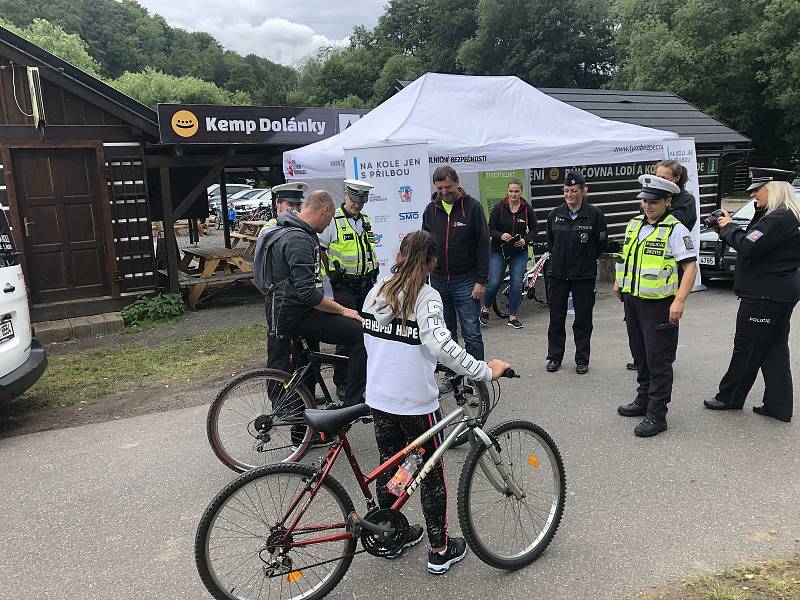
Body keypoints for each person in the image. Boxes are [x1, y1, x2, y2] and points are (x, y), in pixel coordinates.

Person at [362, 230, 511, 573]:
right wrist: (485, 371)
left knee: (392, 464)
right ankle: (440, 550)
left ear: (399, 256)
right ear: (432, 262)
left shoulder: (378, 290)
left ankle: (389, 533)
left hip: (380, 397)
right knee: (430, 475)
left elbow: (369, 339)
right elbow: (444, 348)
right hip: (415, 403)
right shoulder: (427, 297)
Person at [703, 168, 800, 423]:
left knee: (747, 347)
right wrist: (727, 229)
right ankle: (778, 405)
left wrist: (728, 225)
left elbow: (748, 247)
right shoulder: (783, 216)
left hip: (764, 296)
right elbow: (754, 242)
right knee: (774, 349)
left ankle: (730, 398)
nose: (754, 194)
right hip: (778, 292)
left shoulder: (779, 217)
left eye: (758, 189)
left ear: (775, 189)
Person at [253, 190, 366, 407]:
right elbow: (308, 293)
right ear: (324, 211)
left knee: (305, 369)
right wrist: (344, 310)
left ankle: (306, 432)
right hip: (295, 315)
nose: (329, 225)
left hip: (289, 311)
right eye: (331, 218)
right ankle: (353, 404)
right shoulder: (298, 238)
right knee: (361, 334)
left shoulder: (290, 228)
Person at [615, 174, 698, 437]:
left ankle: (657, 414)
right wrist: (619, 283)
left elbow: (690, 266)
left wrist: (680, 300)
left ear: (667, 201)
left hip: (660, 305)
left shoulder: (676, 229)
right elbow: (624, 256)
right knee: (640, 355)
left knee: (658, 359)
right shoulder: (635, 224)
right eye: (644, 201)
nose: (647, 206)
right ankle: (643, 400)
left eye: (653, 201)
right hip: (633, 300)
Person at [626, 160, 699, 371]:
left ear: (675, 180)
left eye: (664, 178)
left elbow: (674, 231)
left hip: (667, 272)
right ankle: (643, 360)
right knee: (640, 333)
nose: (648, 205)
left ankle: (663, 357)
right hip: (640, 283)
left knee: (662, 329)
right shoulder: (644, 213)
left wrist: (680, 300)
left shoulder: (684, 203)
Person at [318, 179, 379, 403]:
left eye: (362, 200)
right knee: (346, 336)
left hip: (366, 284)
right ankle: (342, 381)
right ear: (346, 196)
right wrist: (330, 271)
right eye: (354, 199)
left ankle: (362, 379)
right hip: (344, 286)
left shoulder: (366, 221)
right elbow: (321, 249)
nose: (357, 204)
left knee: (368, 333)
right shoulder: (333, 220)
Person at [422, 165, 490, 363]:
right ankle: (452, 377)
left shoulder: (473, 207)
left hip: (466, 281)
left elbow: (484, 245)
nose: (443, 192)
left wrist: (481, 281)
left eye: (447, 187)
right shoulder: (430, 210)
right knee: (445, 334)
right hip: (439, 281)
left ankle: (477, 379)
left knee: (471, 333)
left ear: (457, 183)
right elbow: (424, 247)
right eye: (439, 188)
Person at [545, 171, 607, 374]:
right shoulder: (554, 214)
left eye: (573, 191)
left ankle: (582, 359)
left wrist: (586, 259)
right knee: (556, 319)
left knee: (583, 320)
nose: (569, 194)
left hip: (584, 276)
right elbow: (551, 244)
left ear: (583, 191)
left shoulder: (595, 214)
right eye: (566, 191)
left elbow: (600, 244)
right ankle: (554, 357)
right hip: (558, 274)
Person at [263, 183, 313, 390]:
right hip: (282, 301)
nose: (294, 209)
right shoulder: (272, 229)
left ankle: (306, 395)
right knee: (282, 353)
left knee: (306, 352)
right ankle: (280, 402)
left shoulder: (301, 227)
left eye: (297, 204)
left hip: (304, 300)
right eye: (289, 204)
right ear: (278, 204)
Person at [481, 179, 538, 329]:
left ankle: (512, 316)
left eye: (516, 191)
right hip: (498, 250)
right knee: (493, 282)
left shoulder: (527, 209)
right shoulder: (499, 208)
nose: (513, 194)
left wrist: (525, 240)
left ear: (521, 192)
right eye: (511, 191)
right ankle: (485, 308)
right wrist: (500, 235)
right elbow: (490, 228)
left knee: (517, 284)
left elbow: (534, 230)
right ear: (507, 191)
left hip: (518, 251)